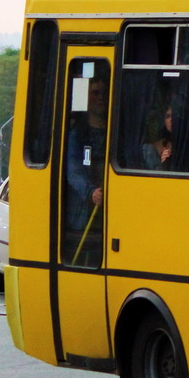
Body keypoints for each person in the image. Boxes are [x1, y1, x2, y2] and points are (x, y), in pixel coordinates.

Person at [64, 73, 108, 266]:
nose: (101, 98)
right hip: (82, 218)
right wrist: (91, 193)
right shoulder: (77, 135)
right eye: (95, 93)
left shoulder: (119, 134)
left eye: (104, 93)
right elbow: (73, 171)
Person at [142, 105, 174, 170]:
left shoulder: (187, 146)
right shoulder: (153, 148)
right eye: (167, 117)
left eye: (174, 116)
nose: (171, 120)